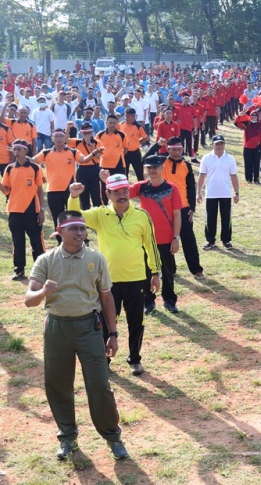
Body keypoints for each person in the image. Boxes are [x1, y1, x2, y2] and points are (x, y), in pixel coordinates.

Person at [24, 211, 129, 460]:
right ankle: (68, 437)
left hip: (89, 327)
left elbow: (106, 297)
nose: (80, 234)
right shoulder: (46, 260)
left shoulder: (96, 258)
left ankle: (113, 438)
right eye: (74, 229)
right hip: (57, 328)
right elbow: (29, 299)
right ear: (60, 231)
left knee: (100, 385)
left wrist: (112, 333)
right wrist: (43, 292)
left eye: (83, 229)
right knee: (58, 385)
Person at [67, 175, 161, 376]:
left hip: (136, 279)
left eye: (125, 191)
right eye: (116, 192)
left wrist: (155, 272)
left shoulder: (141, 216)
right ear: (107, 194)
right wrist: (74, 197)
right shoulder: (101, 214)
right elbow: (74, 217)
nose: (122, 195)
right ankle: (105, 360)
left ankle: (135, 359)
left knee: (137, 321)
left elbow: (150, 246)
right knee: (106, 322)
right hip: (107, 282)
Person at [125, 155, 182, 314]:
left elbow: (177, 214)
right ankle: (148, 302)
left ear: (162, 168)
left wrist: (175, 238)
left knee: (168, 272)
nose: (152, 170)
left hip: (166, 239)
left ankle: (169, 301)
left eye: (155, 167)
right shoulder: (140, 187)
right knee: (146, 272)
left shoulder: (172, 188)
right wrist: (106, 180)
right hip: (145, 239)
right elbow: (122, 194)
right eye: (149, 167)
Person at [1, 139, 46, 280]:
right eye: (15, 149)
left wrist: (42, 209)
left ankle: (41, 270)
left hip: (32, 211)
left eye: (20, 149)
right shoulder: (9, 169)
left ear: (26, 150)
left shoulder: (35, 168)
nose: (17, 152)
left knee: (36, 242)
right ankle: (19, 270)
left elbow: (39, 190)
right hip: (14, 211)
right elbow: (6, 190)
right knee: (17, 241)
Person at [162, 137, 205, 279]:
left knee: (188, 239)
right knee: (166, 239)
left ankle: (196, 270)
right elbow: (144, 160)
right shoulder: (161, 162)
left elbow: (191, 187)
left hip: (183, 207)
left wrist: (192, 207)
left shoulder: (187, 165)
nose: (176, 152)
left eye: (179, 149)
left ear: (182, 149)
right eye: (173, 149)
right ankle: (169, 270)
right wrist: (157, 145)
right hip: (165, 207)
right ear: (168, 149)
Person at [197, 135, 240, 250]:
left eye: (221, 144)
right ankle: (210, 241)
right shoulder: (206, 158)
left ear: (224, 145)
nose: (219, 146)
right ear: (212, 145)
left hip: (225, 193)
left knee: (226, 218)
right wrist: (199, 192)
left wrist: (236, 193)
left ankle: (226, 240)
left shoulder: (230, 159)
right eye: (217, 144)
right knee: (210, 218)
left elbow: (234, 176)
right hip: (211, 193)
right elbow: (202, 176)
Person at [32, 129, 77, 233]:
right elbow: (34, 161)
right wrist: (21, 154)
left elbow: (83, 160)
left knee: (73, 218)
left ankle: (76, 240)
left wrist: (93, 154)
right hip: (53, 190)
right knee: (57, 219)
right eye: (56, 136)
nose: (58, 138)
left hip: (70, 191)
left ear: (65, 138)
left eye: (61, 136)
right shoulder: (46, 152)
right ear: (52, 139)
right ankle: (60, 241)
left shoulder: (73, 151)